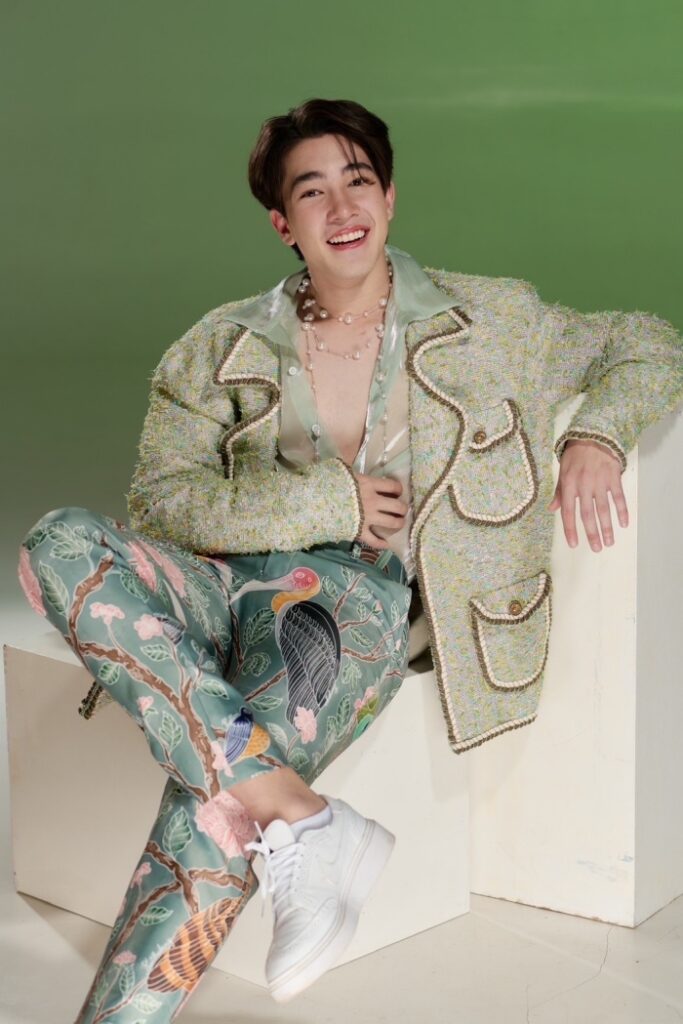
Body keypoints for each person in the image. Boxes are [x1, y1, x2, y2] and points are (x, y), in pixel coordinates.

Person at [17, 97, 683, 1022]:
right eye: (311, 191)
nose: (342, 208)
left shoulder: (492, 319)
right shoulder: (218, 347)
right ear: (281, 223)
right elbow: (161, 502)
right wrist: (330, 500)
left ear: (390, 196)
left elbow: (647, 342)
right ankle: (299, 812)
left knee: (212, 806)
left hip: (352, 605)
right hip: (220, 581)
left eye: (358, 181)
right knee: (56, 543)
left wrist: (598, 436)